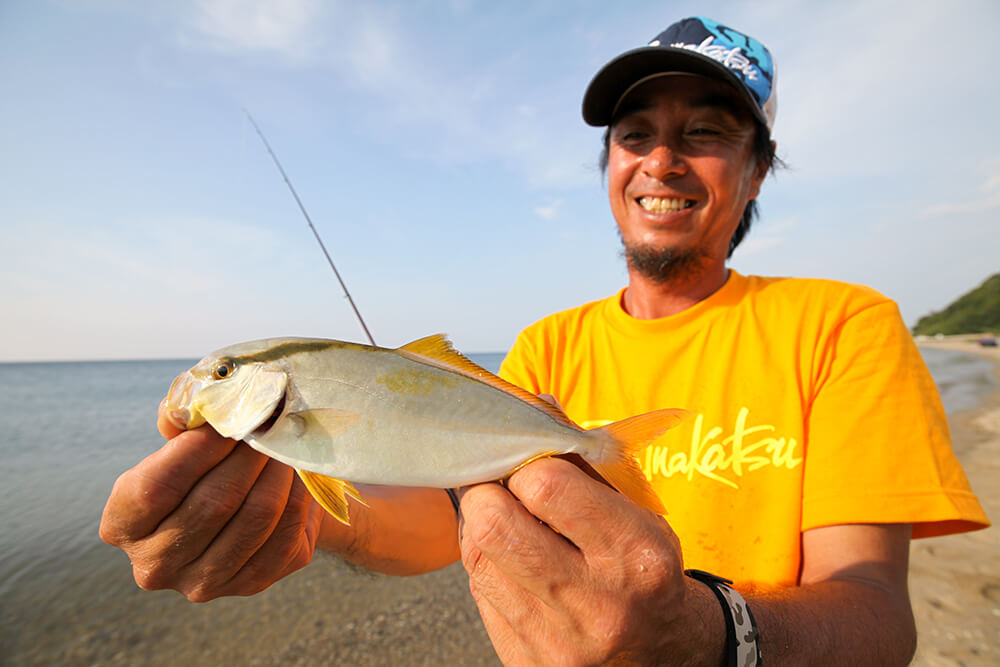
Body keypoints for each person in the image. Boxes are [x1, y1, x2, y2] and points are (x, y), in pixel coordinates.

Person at [101, 16, 989, 665]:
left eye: (706, 133)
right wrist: (306, 521)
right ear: (610, 168)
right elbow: (439, 520)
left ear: (758, 170)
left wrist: (708, 636)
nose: (663, 160)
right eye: (634, 135)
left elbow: (877, 615)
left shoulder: (843, 324)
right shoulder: (546, 348)